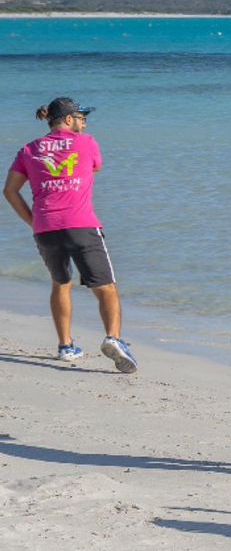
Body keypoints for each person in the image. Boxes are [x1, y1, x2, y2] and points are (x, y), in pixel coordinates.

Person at [4, 97, 136, 371]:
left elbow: (10, 191)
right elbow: (96, 167)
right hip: (81, 225)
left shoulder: (29, 150)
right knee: (106, 288)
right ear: (67, 120)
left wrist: (34, 220)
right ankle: (114, 338)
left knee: (60, 283)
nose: (85, 122)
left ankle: (65, 346)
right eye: (81, 117)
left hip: (45, 228)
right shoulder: (86, 143)